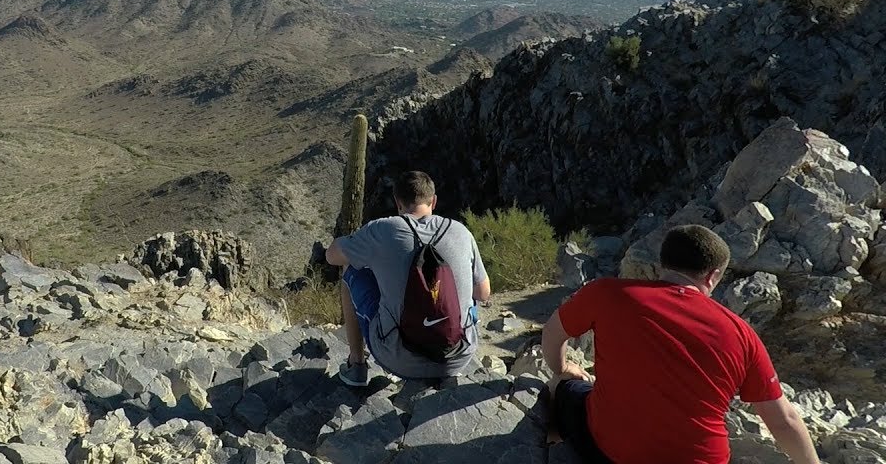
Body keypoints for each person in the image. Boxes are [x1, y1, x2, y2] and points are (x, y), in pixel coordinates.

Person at [541, 224, 820, 464]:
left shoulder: (606, 293)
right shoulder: (742, 333)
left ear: (663, 262)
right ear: (712, 276)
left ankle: (546, 448)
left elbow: (553, 333)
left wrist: (563, 367)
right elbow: (783, 421)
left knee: (563, 387)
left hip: (610, 452)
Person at [324, 170, 491, 386]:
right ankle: (448, 343)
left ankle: (356, 365)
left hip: (399, 359)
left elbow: (331, 256)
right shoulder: (460, 231)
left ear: (398, 202)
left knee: (351, 268)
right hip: (457, 358)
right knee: (468, 289)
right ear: (434, 201)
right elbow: (483, 293)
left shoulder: (382, 229)